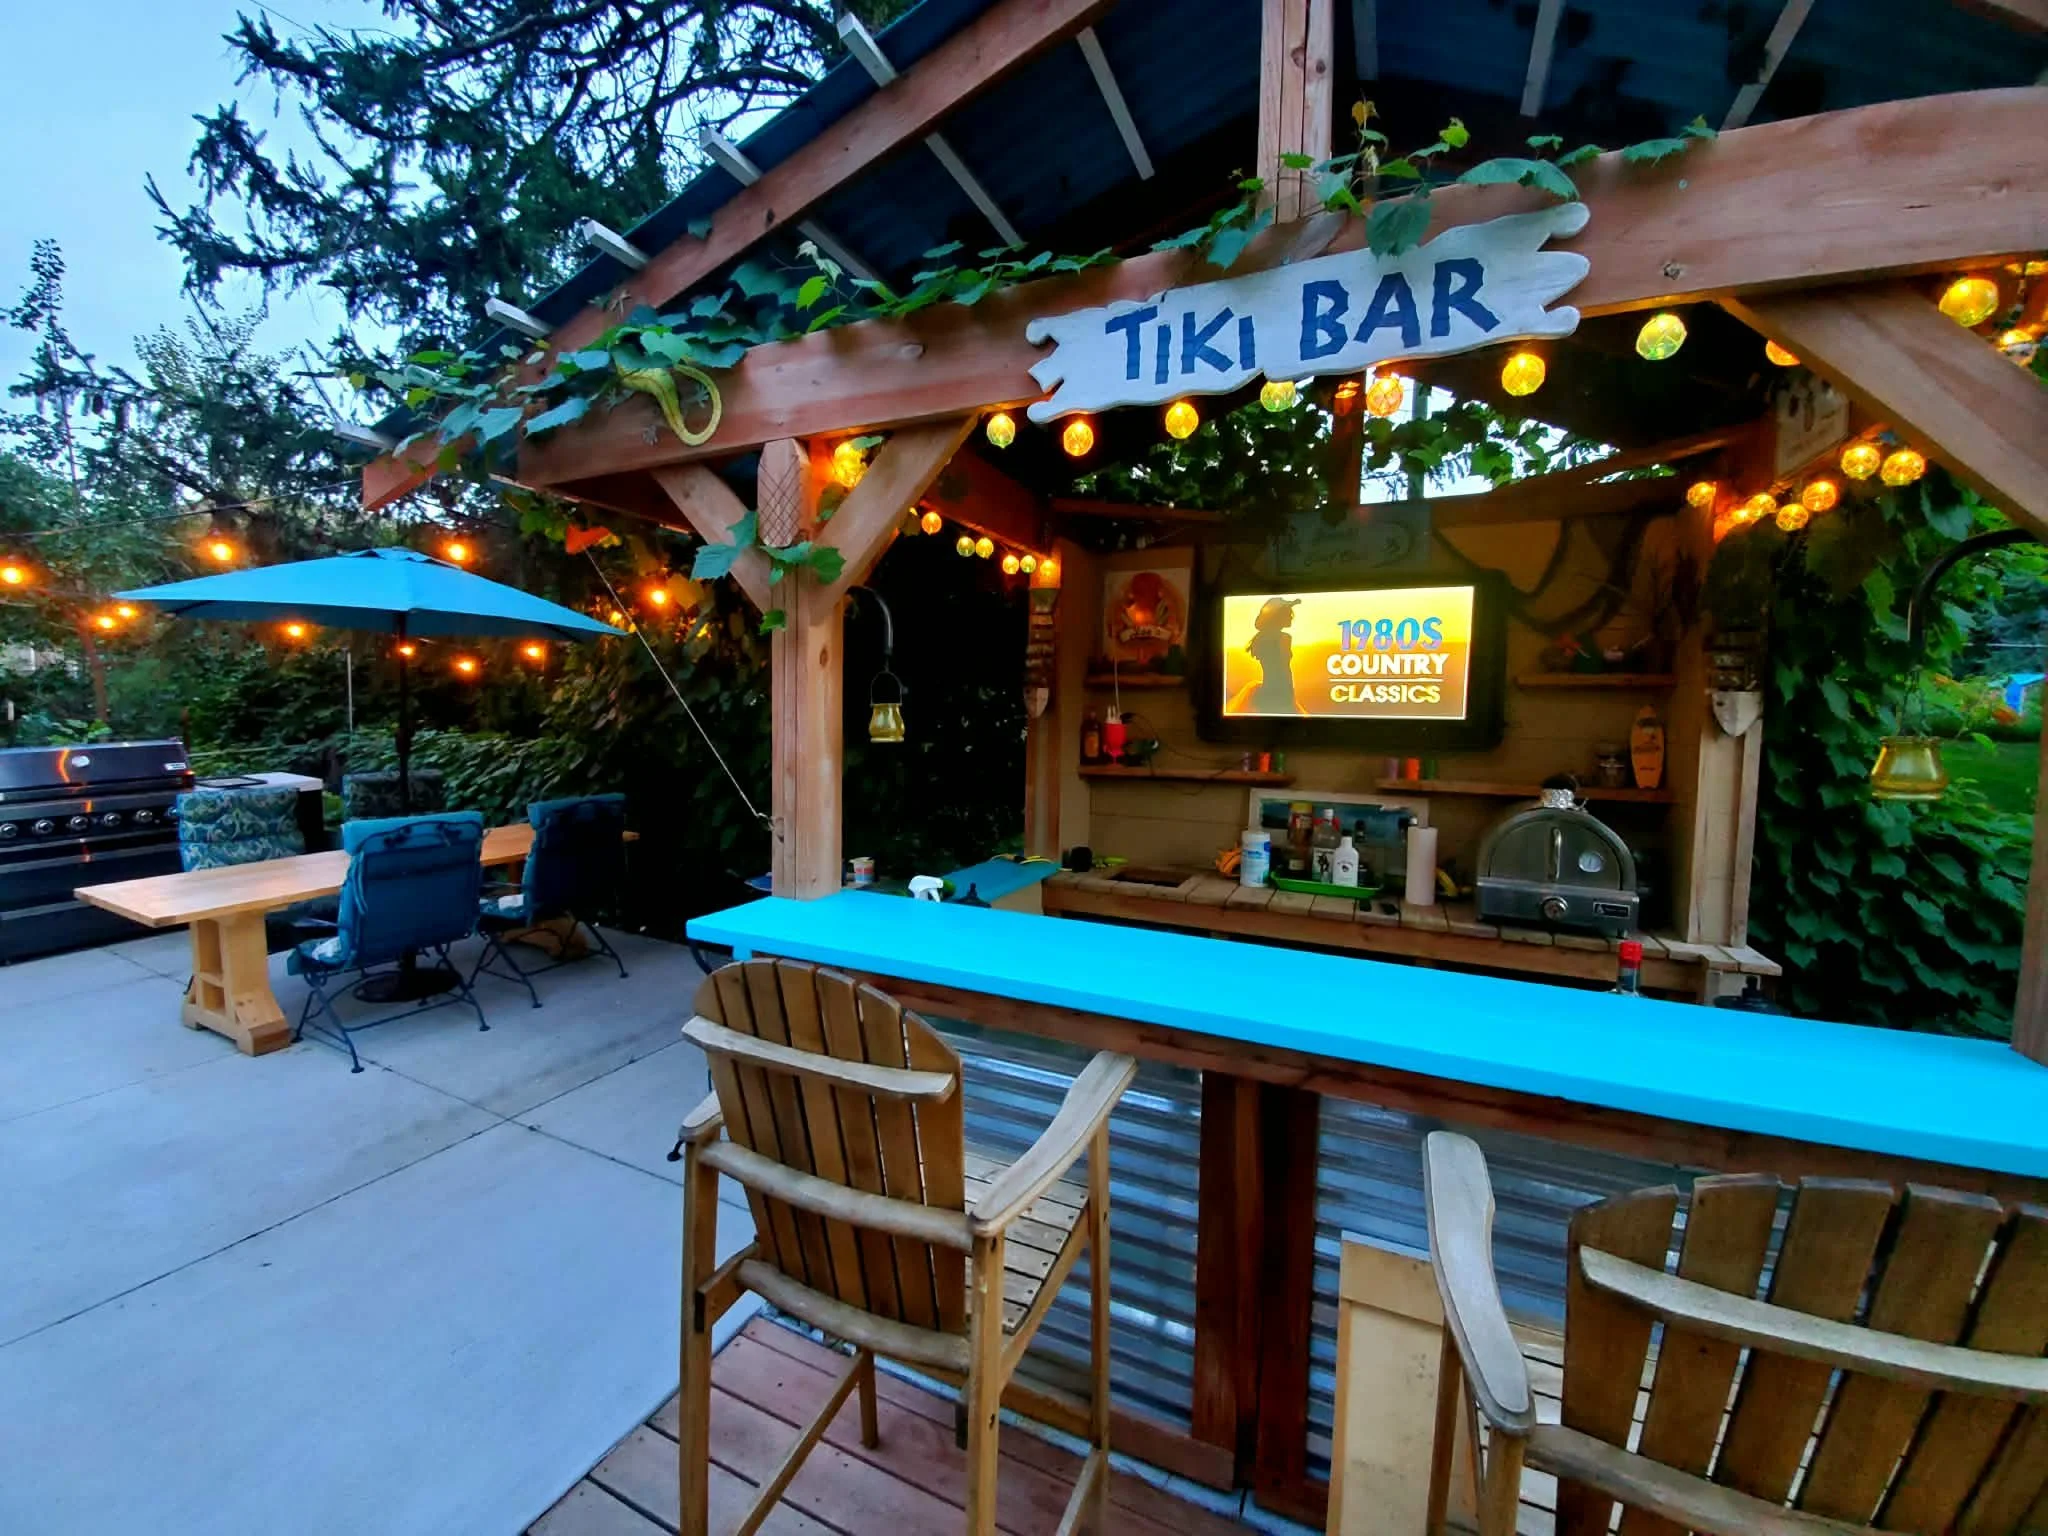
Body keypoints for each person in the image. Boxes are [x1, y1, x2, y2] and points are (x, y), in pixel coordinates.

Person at [1245, 596, 1302, 714]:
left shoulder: (1261, 638)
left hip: (1268, 689)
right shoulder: (1284, 638)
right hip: (1282, 691)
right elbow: (1283, 668)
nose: (1291, 617)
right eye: (1288, 614)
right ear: (1279, 617)